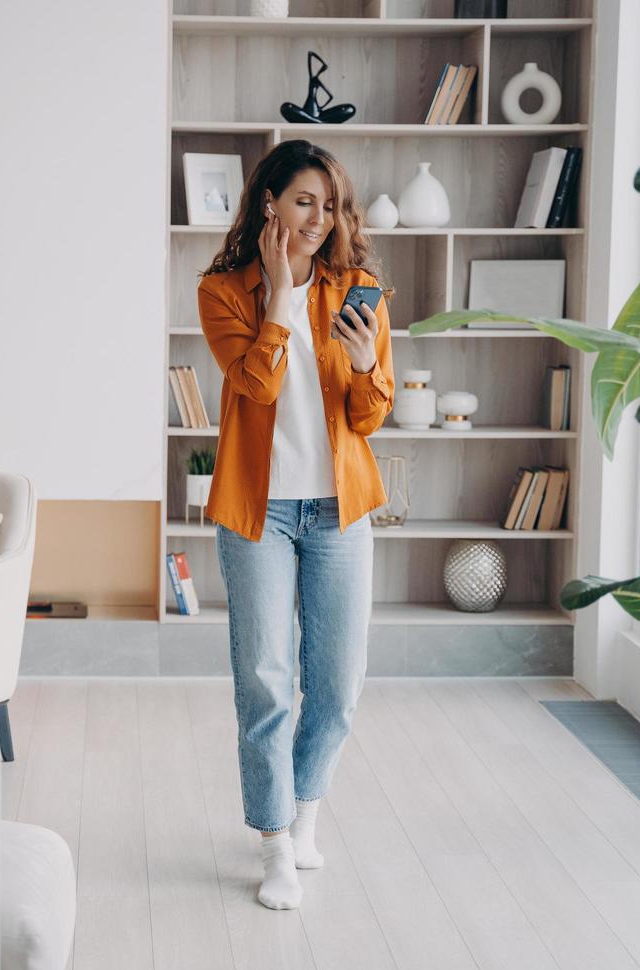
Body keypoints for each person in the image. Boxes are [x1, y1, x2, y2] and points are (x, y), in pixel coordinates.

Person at [195, 139, 396, 911]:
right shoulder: (226, 290)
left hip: (338, 511)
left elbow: (371, 415)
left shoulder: (361, 290)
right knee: (267, 681)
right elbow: (253, 381)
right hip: (259, 513)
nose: (318, 219)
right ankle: (274, 844)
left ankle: (306, 812)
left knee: (339, 683)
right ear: (269, 203)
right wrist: (280, 296)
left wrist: (361, 362)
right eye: (303, 202)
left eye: (330, 204)